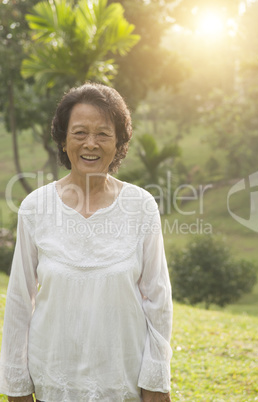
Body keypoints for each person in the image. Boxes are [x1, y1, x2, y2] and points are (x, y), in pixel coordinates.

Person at [0, 83, 172, 401]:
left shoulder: (141, 205)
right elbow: (20, 303)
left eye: (103, 134)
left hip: (123, 382)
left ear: (119, 143)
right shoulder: (36, 208)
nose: (90, 144)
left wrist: (156, 381)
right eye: (79, 133)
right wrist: (16, 386)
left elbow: (158, 302)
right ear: (63, 141)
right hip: (53, 381)